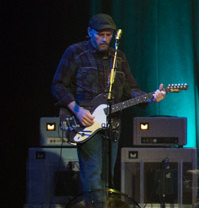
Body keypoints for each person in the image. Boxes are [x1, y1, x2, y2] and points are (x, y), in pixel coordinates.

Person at [51, 13, 165, 196]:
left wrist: (150, 97)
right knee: (93, 174)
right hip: (86, 121)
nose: (104, 39)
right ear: (89, 32)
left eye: (108, 35)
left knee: (106, 177)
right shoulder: (75, 52)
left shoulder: (118, 57)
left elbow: (130, 88)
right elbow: (58, 85)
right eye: (100, 34)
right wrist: (77, 110)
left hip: (112, 124)